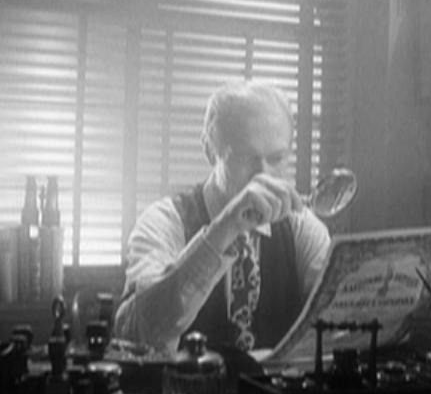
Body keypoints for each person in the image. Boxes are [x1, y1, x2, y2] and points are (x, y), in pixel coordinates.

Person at [114, 81, 331, 355]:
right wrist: (224, 229)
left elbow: (337, 320)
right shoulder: (165, 222)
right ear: (209, 150)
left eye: (276, 159)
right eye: (245, 157)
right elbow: (138, 333)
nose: (262, 175)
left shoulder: (300, 226)